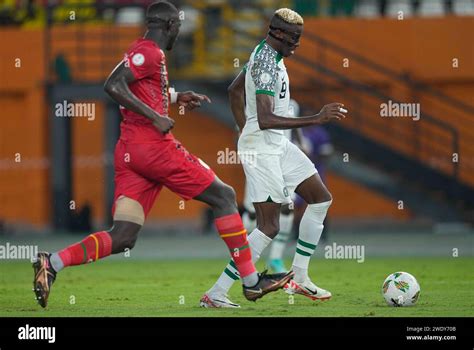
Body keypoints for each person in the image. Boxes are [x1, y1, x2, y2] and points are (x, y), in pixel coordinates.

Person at [32, 1, 293, 308]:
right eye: (178, 28)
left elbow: (144, 88)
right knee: (224, 196)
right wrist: (155, 118)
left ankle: (52, 263)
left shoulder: (147, 54)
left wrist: (177, 96)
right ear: (169, 25)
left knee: (124, 236)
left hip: (130, 153)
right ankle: (250, 282)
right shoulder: (150, 52)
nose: (178, 34)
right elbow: (113, 85)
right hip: (153, 148)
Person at [200, 8, 347, 308]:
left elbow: (233, 91)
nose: (297, 44)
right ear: (277, 33)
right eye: (293, 38)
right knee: (269, 226)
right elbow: (266, 118)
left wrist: (244, 128)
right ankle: (217, 292)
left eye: (299, 37)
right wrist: (316, 118)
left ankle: (301, 277)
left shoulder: (267, 55)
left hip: (276, 144)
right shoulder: (266, 62)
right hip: (263, 146)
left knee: (320, 198)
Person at [242, 99, 311, 273]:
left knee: (288, 207)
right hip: (261, 160)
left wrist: (301, 142)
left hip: (284, 160)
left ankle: (275, 258)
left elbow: (294, 126)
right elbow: (242, 130)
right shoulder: (254, 102)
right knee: (253, 214)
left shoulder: (292, 104)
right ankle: (243, 256)